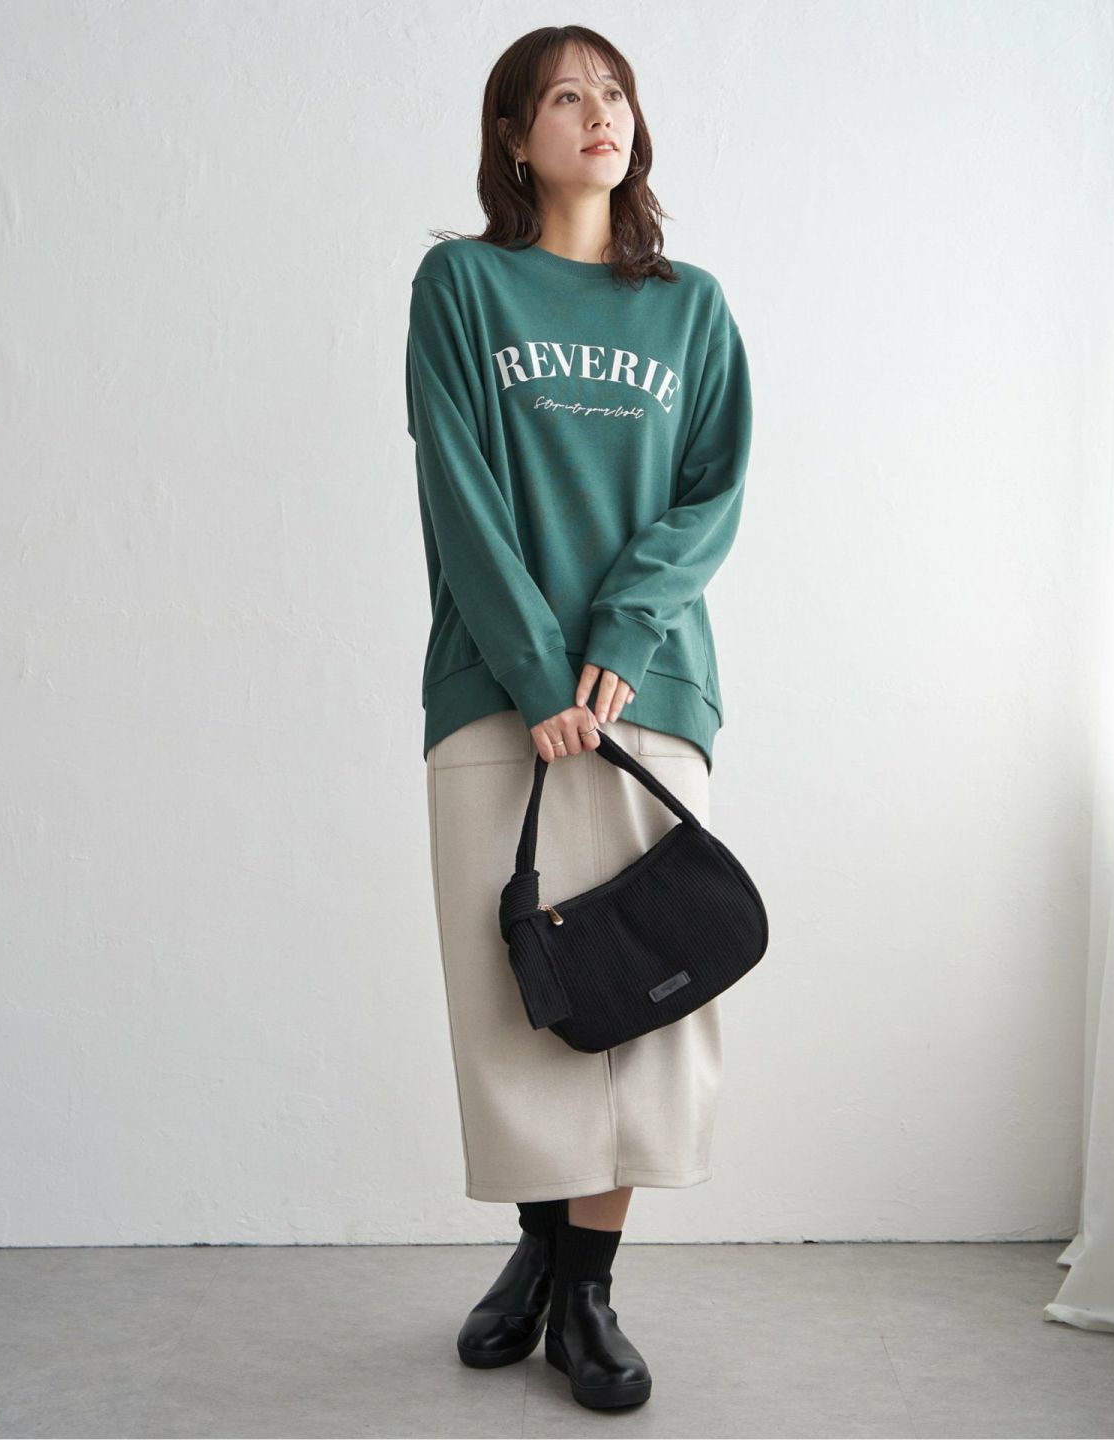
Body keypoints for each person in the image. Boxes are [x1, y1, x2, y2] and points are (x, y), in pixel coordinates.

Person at [406, 24, 753, 1412]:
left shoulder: (692, 307)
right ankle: (539, 1254)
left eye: (615, 93)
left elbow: (713, 494)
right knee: (523, 993)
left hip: (648, 687)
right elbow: (459, 488)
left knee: (635, 995)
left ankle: (584, 1291)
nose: (598, 112)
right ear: (515, 134)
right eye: (566, 95)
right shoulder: (461, 285)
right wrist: (535, 668)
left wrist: (615, 638)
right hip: (497, 687)